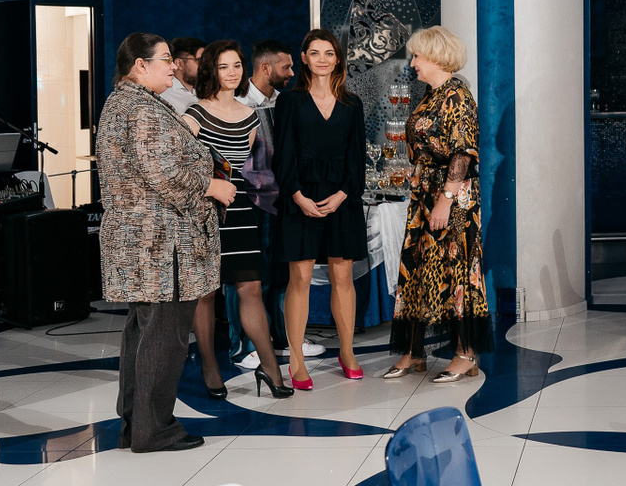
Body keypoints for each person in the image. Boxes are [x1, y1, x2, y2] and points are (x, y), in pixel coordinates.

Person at [96, 33, 235, 453]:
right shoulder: (141, 108)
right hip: (161, 243)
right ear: (139, 65)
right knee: (164, 337)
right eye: (166, 59)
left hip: (145, 242)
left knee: (143, 333)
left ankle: (136, 424)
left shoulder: (125, 102)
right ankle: (154, 429)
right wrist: (212, 186)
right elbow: (165, 174)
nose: (174, 66)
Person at [184, 40, 292, 399]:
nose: (232, 73)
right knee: (206, 293)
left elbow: (251, 169)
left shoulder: (250, 116)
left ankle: (270, 367)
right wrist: (210, 188)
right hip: (204, 212)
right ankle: (210, 367)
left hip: (242, 210)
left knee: (251, 289)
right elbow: (181, 168)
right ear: (211, 71)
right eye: (223, 66)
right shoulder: (194, 114)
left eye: (236, 65)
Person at [385, 25, 489, 384]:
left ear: (435, 56)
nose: (412, 62)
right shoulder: (432, 95)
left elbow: (463, 153)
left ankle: (466, 354)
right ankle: (414, 351)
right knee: (416, 267)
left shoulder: (457, 95)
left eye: (417, 55)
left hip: (453, 197)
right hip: (425, 194)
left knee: (456, 269)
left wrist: (445, 200)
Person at [274, 28, 367, 383]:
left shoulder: (352, 104)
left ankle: (347, 351)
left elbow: (357, 158)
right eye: (315, 53)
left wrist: (344, 194)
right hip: (300, 198)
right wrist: (298, 196)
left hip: (342, 199)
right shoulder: (289, 102)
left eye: (329, 53)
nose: (323, 59)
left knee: (342, 277)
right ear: (304, 58)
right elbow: (282, 156)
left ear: (338, 58)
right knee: (299, 278)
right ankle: (296, 359)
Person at [238, 39, 294, 110]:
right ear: (265, 68)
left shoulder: (285, 102)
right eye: (286, 67)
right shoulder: (236, 102)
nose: (292, 73)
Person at [160, 36, 206, 115]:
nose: (204, 66)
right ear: (179, 63)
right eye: (199, 61)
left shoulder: (205, 92)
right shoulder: (164, 95)